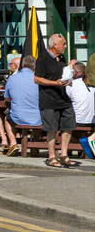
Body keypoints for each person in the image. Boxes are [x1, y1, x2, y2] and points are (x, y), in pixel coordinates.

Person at [35, 32, 79, 168]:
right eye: (63, 44)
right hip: (48, 99)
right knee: (52, 128)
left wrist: (70, 73)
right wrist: (55, 83)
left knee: (68, 125)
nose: (65, 46)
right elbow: (37, 79)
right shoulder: (43, 58)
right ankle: (51, 156)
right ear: (54, 45)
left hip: (63, 98)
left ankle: (64, 154)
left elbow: (64, 74)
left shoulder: (61, 58)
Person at [3, 53, 40, 152]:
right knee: (39, 119)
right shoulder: (39, 79)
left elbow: (6, 98)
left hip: (18, 116)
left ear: (22, 65)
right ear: (34, 67)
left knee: (7, 118)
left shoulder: (12, 78)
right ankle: (34, 145)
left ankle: (13, 143)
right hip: (37, 118)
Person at [66, 60, 95, 126]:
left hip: (78, 121)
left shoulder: (71, 85)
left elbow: (65, 101)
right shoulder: (92, 83)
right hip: (92, 121)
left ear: (74, 73)